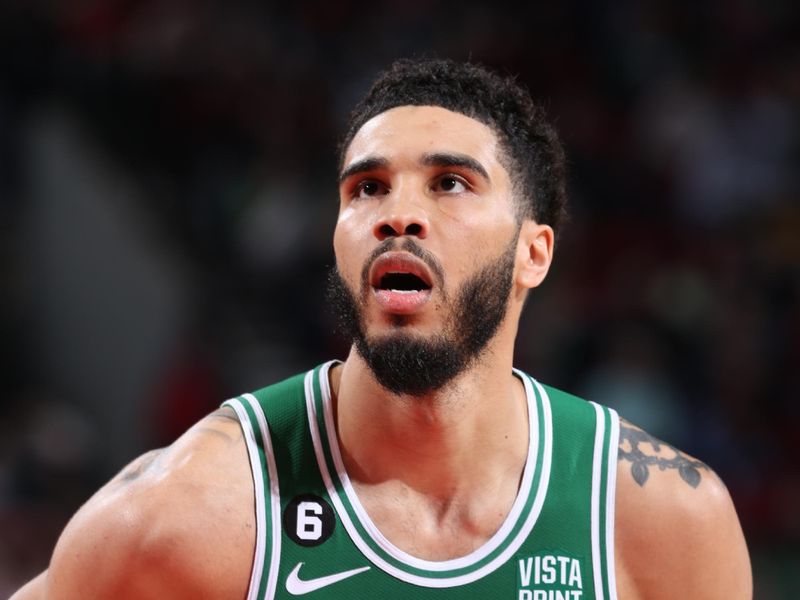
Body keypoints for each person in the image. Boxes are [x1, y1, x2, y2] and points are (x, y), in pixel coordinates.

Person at [12, 58, 751, 599]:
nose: (397, 214)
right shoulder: (186, 512)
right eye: (367, 188)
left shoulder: (660, 520)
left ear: (534, 253)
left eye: (450, 183)